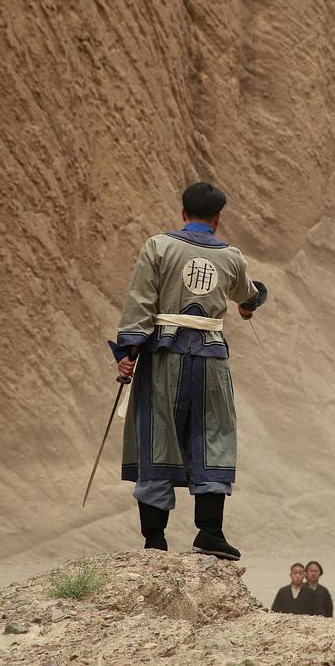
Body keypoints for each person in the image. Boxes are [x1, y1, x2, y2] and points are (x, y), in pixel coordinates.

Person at [114, 181, 267, 560]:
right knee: (214, 433)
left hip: (163, 356)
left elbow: (141, 301)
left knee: (158, 434)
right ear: (218, 218)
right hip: (211, 358)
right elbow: (247, 295)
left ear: (183, 212)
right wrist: (251, 303)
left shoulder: (158, 247)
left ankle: (155, 541)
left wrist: (128, 351)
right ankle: (210, 533)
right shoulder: (231, 256)